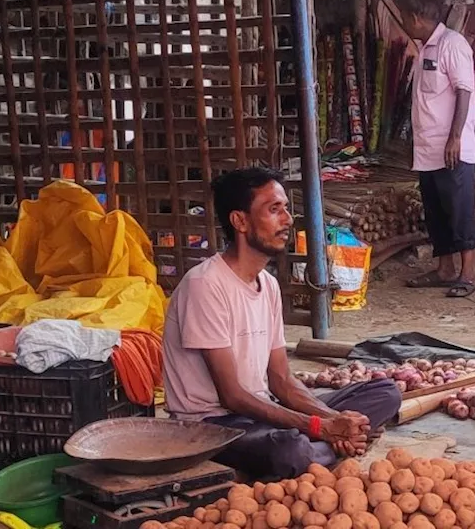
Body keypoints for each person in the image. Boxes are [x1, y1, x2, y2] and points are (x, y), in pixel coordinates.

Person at [162, 167, 401, 480]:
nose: (287, 219)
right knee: (288, 451)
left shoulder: (269, 284)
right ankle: (329, 446)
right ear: (240, 221)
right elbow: (231, 396)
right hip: (212, 426)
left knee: (386, 392)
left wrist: (333, 419)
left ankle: (333, 442)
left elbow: (282, 381)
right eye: (274, 210)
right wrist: (321, 427)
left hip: (261, 409)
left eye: (286, 208)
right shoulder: (205, 285)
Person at [397, 0, 475, 298]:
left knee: (459, 209)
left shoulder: (452, 44)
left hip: (451, 145)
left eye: (406, 18)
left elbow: (464, 91)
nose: (404, 24)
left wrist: (456, 136)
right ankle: (445, 268)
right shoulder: (425, 49)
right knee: (437, 210)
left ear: (416, 19)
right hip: (429, 146)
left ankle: (467, 273)